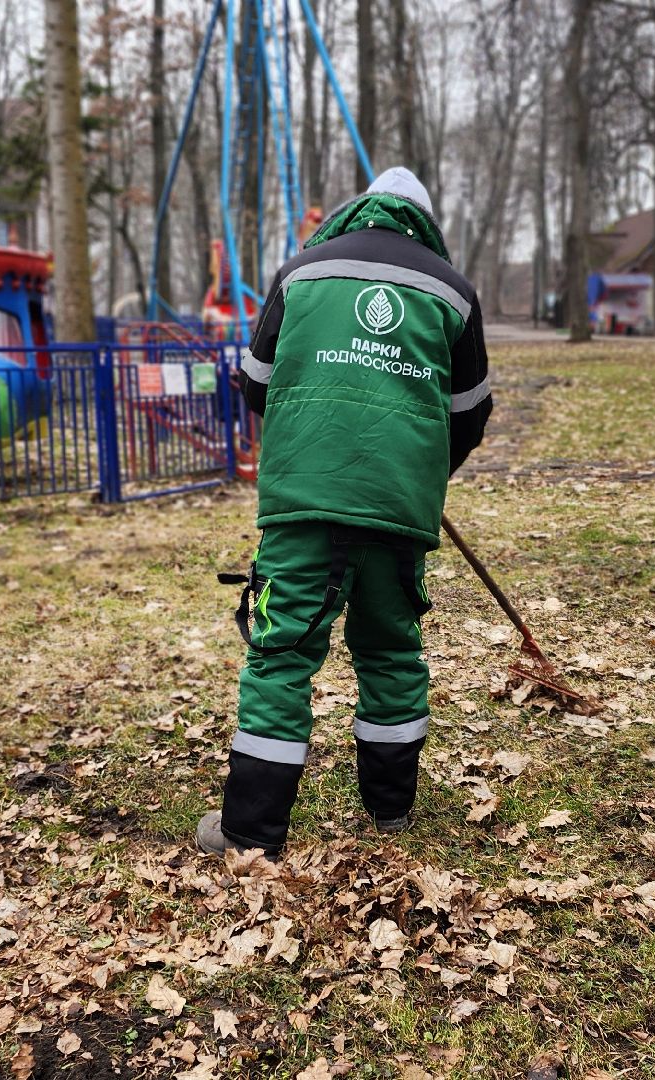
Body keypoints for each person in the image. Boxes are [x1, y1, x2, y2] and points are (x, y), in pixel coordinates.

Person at [197, 166, 492, 857]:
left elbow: (256, 380)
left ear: (361, 210)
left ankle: (251, 833)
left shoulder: (301, 272)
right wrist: (421, 472)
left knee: (282, 654)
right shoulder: (452, 291)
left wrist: (311, 440)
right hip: (397, 507)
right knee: (391, 649)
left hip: (304, 504)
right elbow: (470, 414)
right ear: (424, 222)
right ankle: (391, 813)